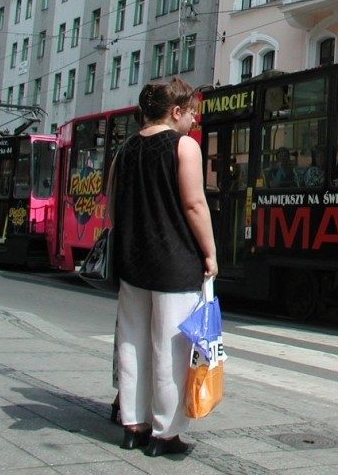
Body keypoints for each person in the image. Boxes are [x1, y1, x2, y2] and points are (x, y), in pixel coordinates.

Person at [110, 77, 218, 457]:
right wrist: (210, 253)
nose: (193, 120)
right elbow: (194, 205)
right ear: (175, 112)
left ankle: (132, 426)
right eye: (191, 113)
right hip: (173, 260)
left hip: (131, 260)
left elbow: (113, 209)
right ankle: (164, 433)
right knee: (169, 350)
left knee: (132, 343)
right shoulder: (183, 146)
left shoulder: (125, 149)